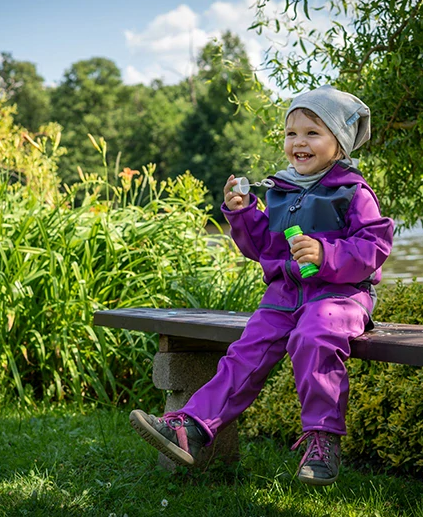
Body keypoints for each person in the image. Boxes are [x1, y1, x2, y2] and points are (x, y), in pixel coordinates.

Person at [129, 85, 394, 486]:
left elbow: (374, 246)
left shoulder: (352, 192)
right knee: (246, 350)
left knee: (314, 335)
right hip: (284, 296)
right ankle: (192, 428)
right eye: (291, 133)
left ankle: (322, 441)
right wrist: (243, 215)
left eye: (312, 133)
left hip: (339, 297)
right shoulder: (281, 191)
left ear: (338, 144)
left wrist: (326, 254)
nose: (299, 142)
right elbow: (263, 249)